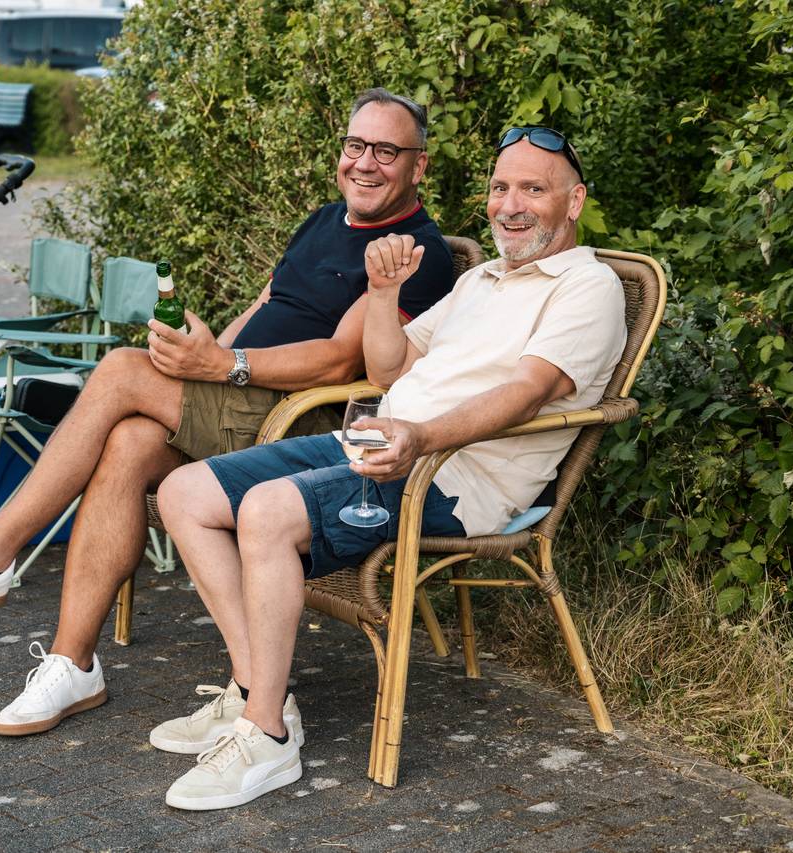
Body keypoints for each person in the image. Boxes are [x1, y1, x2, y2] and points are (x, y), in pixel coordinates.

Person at [0, 88, 456, 736]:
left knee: (123, 370)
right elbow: (266, 306)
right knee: (128, 442)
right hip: (239, 396)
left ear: (418, 166)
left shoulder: (415, 250)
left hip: (298, 422)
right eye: (355, 145)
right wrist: (202, 357)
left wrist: (221, 367)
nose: (365, 163)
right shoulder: (324, 220)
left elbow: (340, 362)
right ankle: (72, 663)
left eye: (386, 151)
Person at [152, 126, 628, 810]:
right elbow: (388, 368)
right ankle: (257, 687)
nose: (510, 205)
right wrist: (381, 292)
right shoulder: (484, 279)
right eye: (500, 188)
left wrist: (422, 434)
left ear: (573, 201)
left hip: (456, 478)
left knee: (266, 510)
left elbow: (529, 392)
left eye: (532, 189)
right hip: (382, 442)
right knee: (184, 492)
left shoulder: (587, 286)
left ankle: (267, 732)